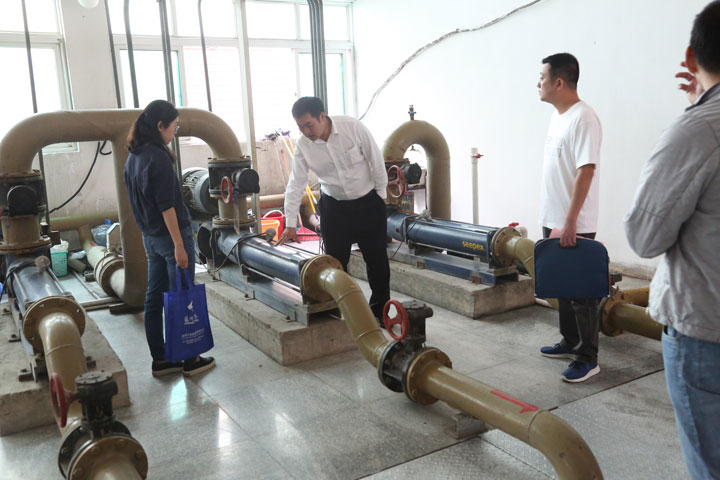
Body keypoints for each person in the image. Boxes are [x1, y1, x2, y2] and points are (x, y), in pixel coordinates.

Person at [624, 2, 720, 477]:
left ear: (690, 56)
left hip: (706, 337)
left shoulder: (697, 130)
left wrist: (696, 114)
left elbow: (644, 236)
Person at [277, 96, 390, 323]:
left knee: (377, 261)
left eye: (309, 125)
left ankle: (380, 313)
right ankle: (343, 312)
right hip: (334, 207)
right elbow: (296, 183)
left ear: (322, 116)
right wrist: (290, 223)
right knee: (334, 263)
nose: (305, 131)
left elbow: (376, 161)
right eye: (300, 127)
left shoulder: (352, 127)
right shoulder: (304, 145)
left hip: (368, 202)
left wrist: (380, 197)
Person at [124, 99, 215, 378]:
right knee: (183, 295)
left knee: (154, 298)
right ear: (160, 126)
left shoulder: (133, 157)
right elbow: (167, 207)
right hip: (171, 237)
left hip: (150, 237)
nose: (175, 132)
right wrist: (179, 245)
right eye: (174, 127)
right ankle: (190, 358)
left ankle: (161, 359)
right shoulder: (158, 158)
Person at [535, 53, 604, 383]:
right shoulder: (558, 116)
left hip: (574, 222)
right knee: (562, 287)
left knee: (582, 294)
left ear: (559, 82)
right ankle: (569, 341)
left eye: (542, 77)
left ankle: (588, 358)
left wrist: (572, 220)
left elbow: (585, 171)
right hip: (554, 218)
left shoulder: (584, 118)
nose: (538, 83)